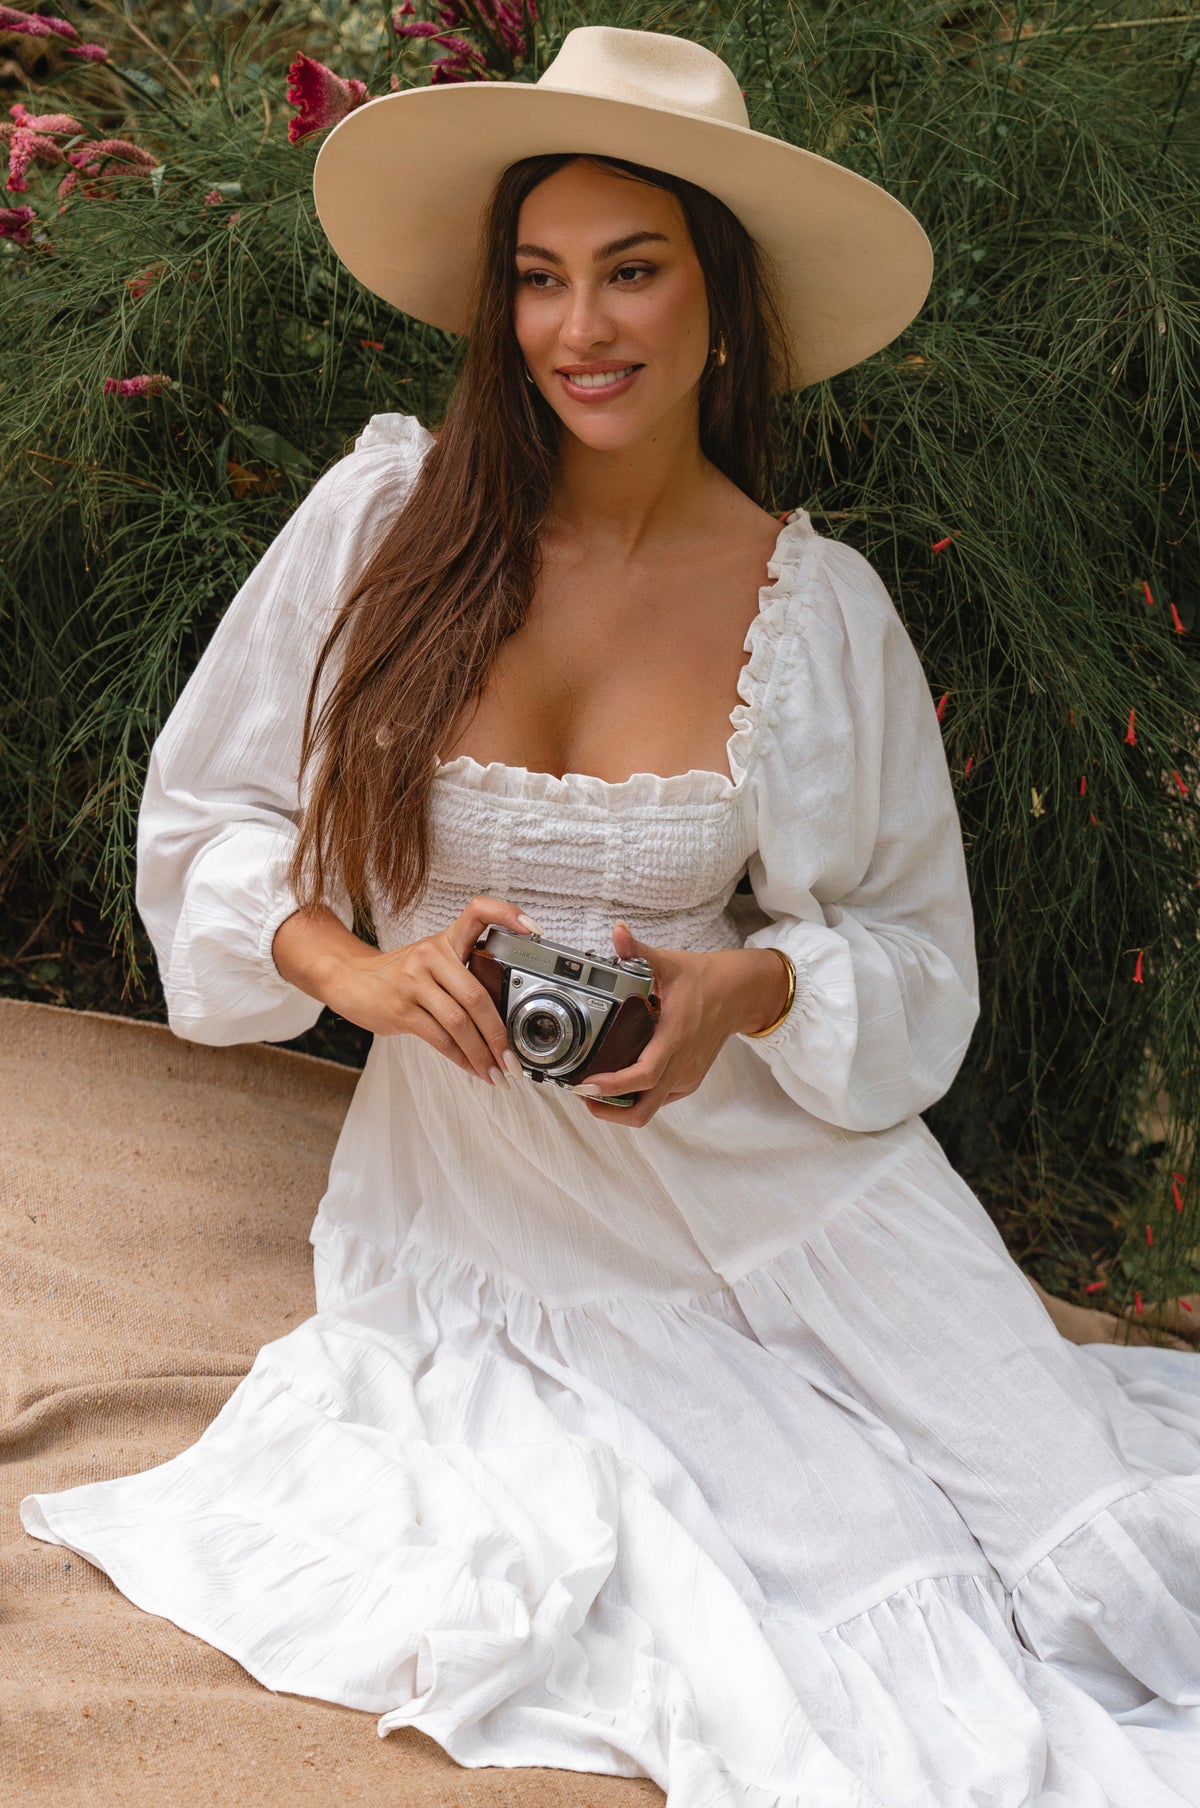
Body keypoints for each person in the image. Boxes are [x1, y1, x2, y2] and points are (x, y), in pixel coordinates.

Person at [21, 26, 1200, 1807]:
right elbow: (212, 820)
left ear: (719, 303)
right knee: (834, 1608)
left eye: (632, 273)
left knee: (1104, 1553)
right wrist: (361, 968)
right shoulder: (385, 528)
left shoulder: (818, 613)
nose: (582, 330)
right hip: (503, 1212)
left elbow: (908, 955)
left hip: (798, 1189)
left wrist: (738, 987)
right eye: (539, 280)